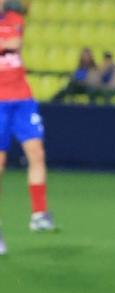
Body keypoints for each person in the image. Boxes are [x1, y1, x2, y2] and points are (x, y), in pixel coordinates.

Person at [0, 0, 53, 256]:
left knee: (37, 153)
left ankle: (39, 214)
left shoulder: (15, 18)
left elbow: (14, 42)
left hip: (22, 99)